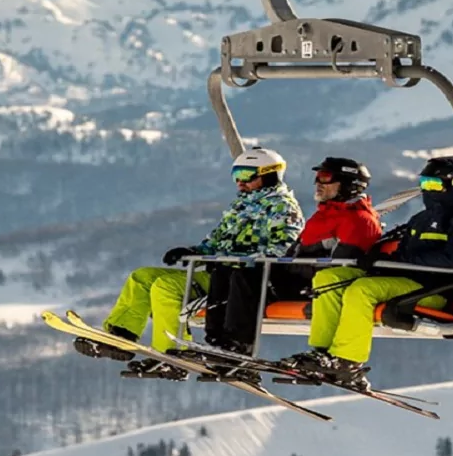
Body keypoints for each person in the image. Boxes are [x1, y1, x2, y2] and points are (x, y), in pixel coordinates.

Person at [84, 146, 301, 373]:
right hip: (218, 272)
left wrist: (233, 259)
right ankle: (120, 334)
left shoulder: (282, 208)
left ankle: (172, 352)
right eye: (236, 176)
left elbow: (282, 250)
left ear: (268, 176)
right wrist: (193, 250)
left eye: (246, 176)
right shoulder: (242, 206)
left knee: (165, 286)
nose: (240, 183)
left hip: (242, 278)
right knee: (142, 276)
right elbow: (216, 242)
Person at [284, 155, 453, 390]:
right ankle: (322, 353)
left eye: (434, 184)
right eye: (424, 183)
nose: (428, 190)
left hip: (432, 290)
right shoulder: (421, 219)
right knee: (329, 278)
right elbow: (398, 245)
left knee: (362, 290)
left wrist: (403, 260)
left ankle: (348, 362)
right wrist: (377, 256)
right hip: (401, 282)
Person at [202, 156, 384, 357]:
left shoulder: (359, 220)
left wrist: (289, 268)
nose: (318, 184)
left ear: (350, 184)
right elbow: (294, 252)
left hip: (313, 285)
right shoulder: (324, 215)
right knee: (225, 272)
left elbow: (342, 266)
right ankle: (216, 339)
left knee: (247, 277)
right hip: (297, 277)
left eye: (324, 178)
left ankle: (238, 346)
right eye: (316, 178)